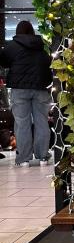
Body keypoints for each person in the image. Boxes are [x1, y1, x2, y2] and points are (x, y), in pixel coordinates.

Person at [0, 20, 52, 167]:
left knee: (22, 123)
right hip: (40, 88)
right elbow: (48, 64)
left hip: (19, 88)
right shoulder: (41, 46)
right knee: (42, 121)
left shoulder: (13, 46)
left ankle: (24, 159)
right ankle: (43, 157)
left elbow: (3, 62)